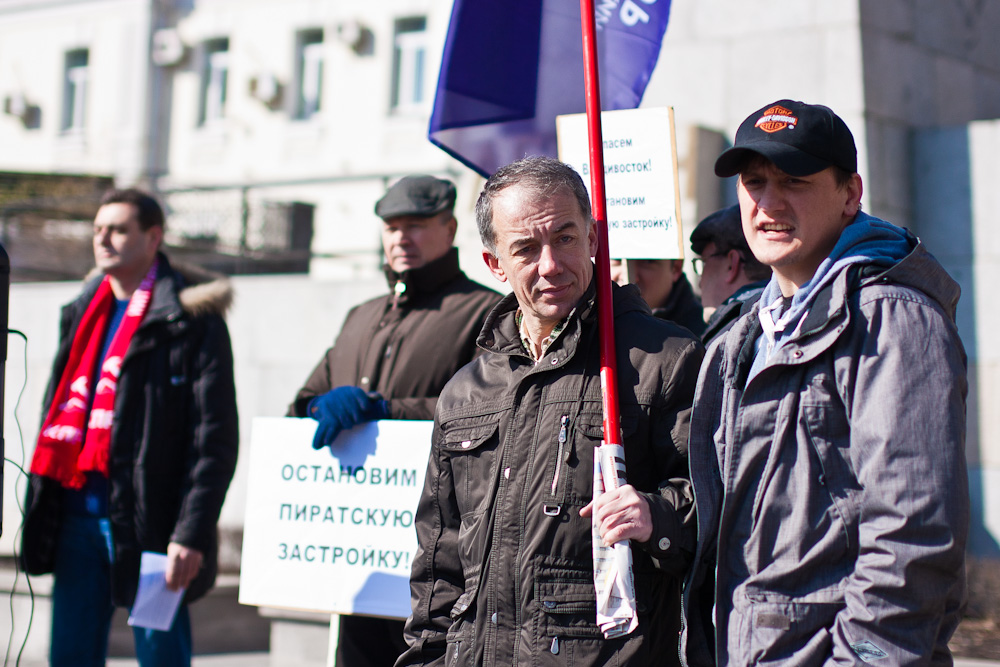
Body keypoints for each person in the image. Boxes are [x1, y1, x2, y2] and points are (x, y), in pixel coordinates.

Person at [682, 100, 969, 665]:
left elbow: (911, 537)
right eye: (754, 182)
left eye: (794, 180)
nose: (768, 204)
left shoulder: (890, 318)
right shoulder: (745, 332)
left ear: (850, 194)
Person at [397, 156, 703, 667]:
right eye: (525, 248)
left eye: (565, 238)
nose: (551, 265)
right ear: (495, 264)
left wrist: (656, 514)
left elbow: (721, 505)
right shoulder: (466, 391)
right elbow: (438, 562)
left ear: (594, 239)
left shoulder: (665, 359)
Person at [21, 188, 239, 666]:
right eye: (99, 230)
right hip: (76, 518)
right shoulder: (82, 311)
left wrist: (190, 532)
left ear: (153, 237)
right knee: (70, 657)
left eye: (119, 229)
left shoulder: (191, 320)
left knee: (160, 656)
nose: (104, 240)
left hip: (153, 530)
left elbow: (214, 441)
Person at [288, 175, 498, 667]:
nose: (401, 237)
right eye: (392, 227)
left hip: (438, 556)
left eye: (417, 225)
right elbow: (303, 400)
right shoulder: (361, 315)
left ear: (449, 229)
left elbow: (491, 413)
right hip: (357, 551)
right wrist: (322, 407)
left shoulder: (485, 311)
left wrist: (385, 410)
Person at [689, 204, 771, 342]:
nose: (699, 282)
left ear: (731, 264)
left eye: (704, 263)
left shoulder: (733, 335)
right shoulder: (780, 316)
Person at [609, 257, 706, 336]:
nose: (628, 276)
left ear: (676, 268)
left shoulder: (702, 335)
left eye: (647, 261)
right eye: (617, 260)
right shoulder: (596, 327)